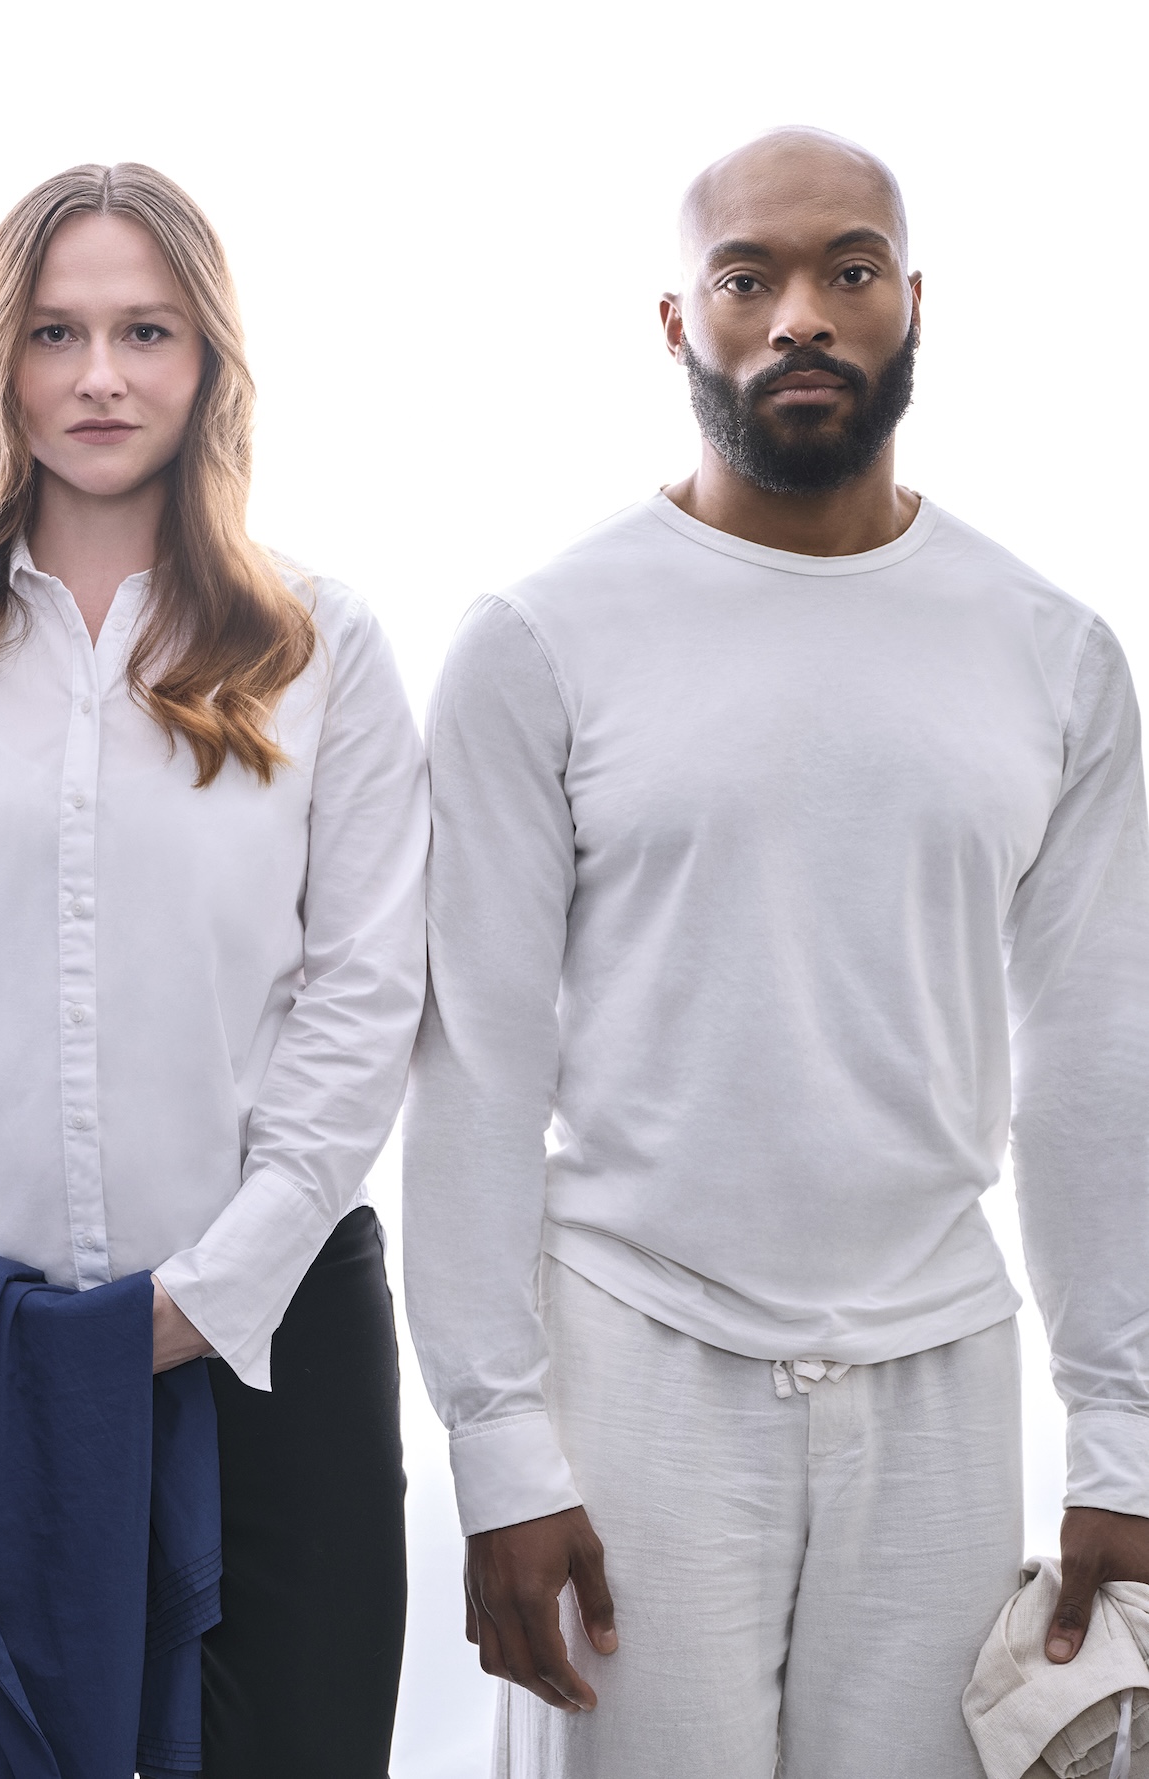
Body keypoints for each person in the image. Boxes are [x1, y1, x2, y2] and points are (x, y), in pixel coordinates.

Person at [406, 127, 1149, 1775]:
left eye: (848, 271)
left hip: (941, 1367)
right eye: (747, 277)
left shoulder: (1055, 657)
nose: (799, 313)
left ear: (910, 308)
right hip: (632, 1354)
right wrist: (500, 1447)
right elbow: (475, 1062)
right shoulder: (542, 641)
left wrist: (1125, 1440)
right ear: (679, 325)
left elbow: (1094, 1061)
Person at [0, 162, 428, 1777]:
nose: (99, 376)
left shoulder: (322, 645)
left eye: (145, 331)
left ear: (208, 362)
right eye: (56, 332)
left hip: (273, 1354)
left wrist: (205, 1296)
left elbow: (366, 999)